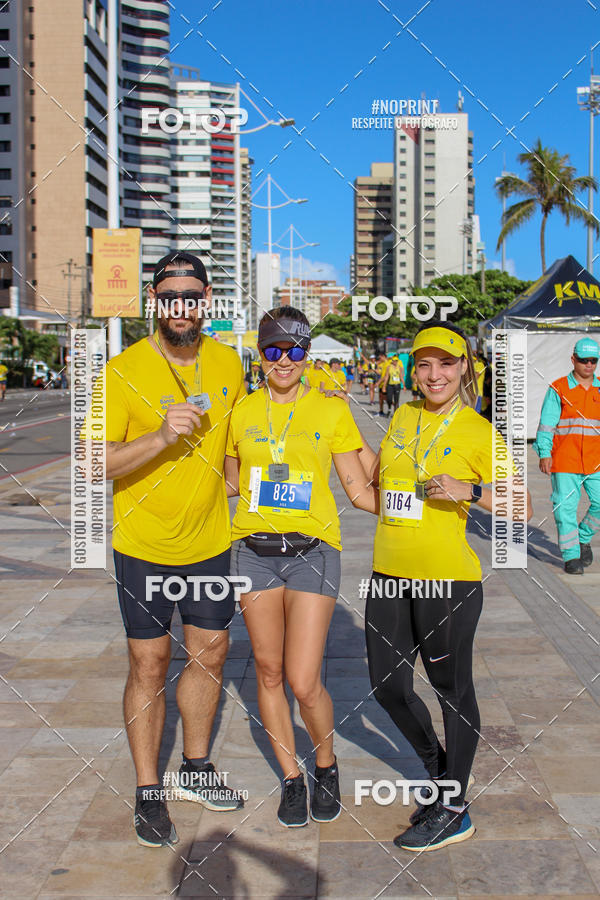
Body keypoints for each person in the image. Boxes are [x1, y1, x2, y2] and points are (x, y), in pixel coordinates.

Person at [356, 320, 532, 852]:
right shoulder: (404, 416)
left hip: (448, 582)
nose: (434, 374)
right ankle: (442, 770)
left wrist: (470, 488)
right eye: (425, 364)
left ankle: (454, 806)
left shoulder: (479, 431)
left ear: (465, 369)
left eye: (446, 364)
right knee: (387, 685)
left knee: (453, 693)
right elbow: (386, 485)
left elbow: (520, 503)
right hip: (389, 574)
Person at [102, 251, 246, 847]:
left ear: (205, 299)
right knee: (149, 664)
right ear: (154, 302)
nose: (181, 306)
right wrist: (161, 436)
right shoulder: (122, 370)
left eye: (191, 295)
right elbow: (98, 462)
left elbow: (236, 445)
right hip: (143, 543)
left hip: (211, 540)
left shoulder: (229, 363)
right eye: (170, 296)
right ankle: (147, 790)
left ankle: (194, 768)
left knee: (210, 654)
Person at [224, 306, 376, 828]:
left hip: (312, 552)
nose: (283, 360)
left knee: (304, 679)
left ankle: (326, 764)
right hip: (251, 552)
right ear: (259, 354)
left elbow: (362, 484)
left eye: (294, 350)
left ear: (307, 354)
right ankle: (291, 777)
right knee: (267, 671)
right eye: (272, 350)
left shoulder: (331, 410)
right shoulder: (241, 412)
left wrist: (430, 498)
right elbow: (227, 480)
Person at [533, 337, 600, 575]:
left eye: (593, 360)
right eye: (584, 360)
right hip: (565, 460)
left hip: (596, 461)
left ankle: (582, 538)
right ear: (573, 360)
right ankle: (572, 556)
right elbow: (547, 424)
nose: (589, 365)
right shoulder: (558, 388)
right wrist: (544, 453)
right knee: (565, 509)